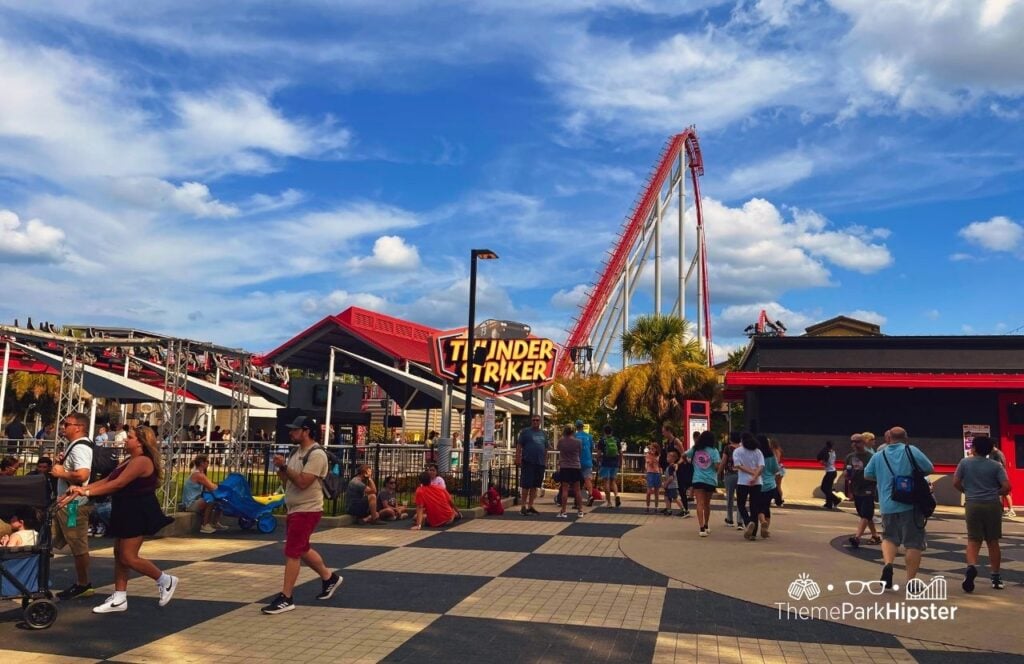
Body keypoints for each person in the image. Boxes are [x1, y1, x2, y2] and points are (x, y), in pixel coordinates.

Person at [59, 425, 177, 614]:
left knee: (128, 556)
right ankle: (120, 597)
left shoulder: (142, 461)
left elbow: (118, 484)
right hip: (124, 509)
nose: (125, 440)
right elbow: (108, 480)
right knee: (119, 553)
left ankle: (165, 580)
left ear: (140, 442)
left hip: (137, 511)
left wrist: (87, 492)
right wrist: (82, 489)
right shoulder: (130, 460)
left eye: (129, 437)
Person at [263, 415, 341, 615]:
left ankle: (286, 597)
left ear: (307, 431)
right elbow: (288, 480)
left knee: (292, 552)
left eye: (295, 429)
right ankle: (329, 577)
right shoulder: (296, 452)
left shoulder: (317, 455)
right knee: (302, 547)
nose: (291, 433)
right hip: (295, 507)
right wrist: (282, 468)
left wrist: (285, 467)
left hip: (308, 509)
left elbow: (303, 482)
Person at [863, 427, 934, 591]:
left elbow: (867, 474)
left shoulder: (879, 455)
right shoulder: (911, 451)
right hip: (910, 503)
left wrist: (883, 478)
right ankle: (910, 581)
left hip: (887, 504)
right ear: (905, 437)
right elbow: (929, 468)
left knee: (889, 537)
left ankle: (888, 565)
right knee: (913, 543)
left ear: (888, 439)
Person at [953, 435, 1011, 592]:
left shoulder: (965, 463)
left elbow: (955, 482)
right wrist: (995, 492)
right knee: (993, 541)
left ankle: (971, 567)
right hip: (992, 505)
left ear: (974, 448)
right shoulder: (996, 466)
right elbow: (1007, 487)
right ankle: (996, 577)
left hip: (973, 504)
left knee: (973, 539)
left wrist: (966, 491)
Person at [50, 412, 95, 600]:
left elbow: (83, 475)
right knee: (51, 541)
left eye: (67, 424)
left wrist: (61, 473)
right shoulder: (76, 445)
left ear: (79, 427)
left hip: (73, 506)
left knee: (77, 544)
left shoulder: (80, 448)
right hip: (67, 504)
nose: (63, 427)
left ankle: (83, 584)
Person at [845, 436, 880, 548]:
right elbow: (847, 474)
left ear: (864, 442)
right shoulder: (850, 457)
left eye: (858, 442)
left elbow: (877, 472)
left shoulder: (871, 457)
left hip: (868, 487)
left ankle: (857, 537)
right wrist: (849, 487)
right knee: (865, 514)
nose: (855, 444)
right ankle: (875, 535)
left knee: (865, 513)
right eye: (853, 442)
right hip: (856, 488)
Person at [181, 455, 226, 534]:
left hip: (195, 500)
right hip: (190, 504)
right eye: (207, 461)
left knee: (219, 500)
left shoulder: (199, 473)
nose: (208, 463)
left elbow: (209, 485)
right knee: (210, 500)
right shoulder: (198, 475)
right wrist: (222, 487)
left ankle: (215, 523)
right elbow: (212, 487)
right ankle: (205, 525)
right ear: (202, 463)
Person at [688, 431, 721, 537]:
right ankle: (706, 525)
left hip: (697, 479)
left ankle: (701, 528)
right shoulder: (714, 451)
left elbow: (684, 454)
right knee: (707, 504)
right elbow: (717, 466)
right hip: (710, 480)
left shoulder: (695, 449)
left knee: (699, 503)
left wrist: (691, 462)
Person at [733, 432, 764, 541]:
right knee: (754, 506)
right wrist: (755, 476)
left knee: (741, 504)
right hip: (757, 482)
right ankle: (754, 534)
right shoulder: (758, 451)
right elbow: (761, 466)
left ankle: (747, 522)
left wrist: (751, 473)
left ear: (742, 440)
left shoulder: (738, 451)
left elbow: (739, 466)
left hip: (743, 482)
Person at [516, 415, 549, 516]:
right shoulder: (525, 432)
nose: (535, 422)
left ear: (540, 422)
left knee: (535, 485)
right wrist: (518, 458)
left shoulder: (544, 433)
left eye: (537, 420)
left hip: (540, 463)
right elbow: (519, 446)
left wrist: (545, 461)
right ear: (531, 421)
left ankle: (530, 506)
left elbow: (546, 448)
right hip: (528, 462)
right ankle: (523, 506)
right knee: (526, 485)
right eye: (533, 420)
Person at [557, 425, 584, 519]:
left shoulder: (561, 441)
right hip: (576, 466)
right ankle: (580, 510)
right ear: (573, 432)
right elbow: (580, 453)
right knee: (577, 490)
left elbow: (559, 449)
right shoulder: (578, 442)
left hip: (564, 466)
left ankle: (564, 511)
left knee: (565, 489)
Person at [755, 434, 779, 539]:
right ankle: (765, 529)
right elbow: (776, 469)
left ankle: (762, 521)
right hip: (770, 485)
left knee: (758, 507)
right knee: (766, 507)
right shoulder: (771, 455)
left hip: (759, 484)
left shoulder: (757, 454)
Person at [718, 432, 741, 528]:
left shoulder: (727, 448)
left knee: (730, 498)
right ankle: (740, 521)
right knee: (741, 498)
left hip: (730, 474)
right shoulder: (742, 448)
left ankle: (730, 519)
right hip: (741, 475)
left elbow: (723, 461)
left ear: (731, 439)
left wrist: (719, 472)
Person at [597, 425, 622, 509]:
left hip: (605, 463)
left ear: (604, 432)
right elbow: (620, 452)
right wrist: (620, 462)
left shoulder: (602, 441)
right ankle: (617, 495)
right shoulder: (616, 440)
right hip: (615, 463)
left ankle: (609, 502)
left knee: (606, 482)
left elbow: (599, 454)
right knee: (613, 481)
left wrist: (598, 461)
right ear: (612, 431)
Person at [990, 441, 1016, 518]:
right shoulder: (993, 453)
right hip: (997, 475)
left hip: (1000, 475)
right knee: (1001, 493)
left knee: (1005, 493)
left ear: (993, 445)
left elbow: (1000, 465)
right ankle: (1000, 510)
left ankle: (1011, 510)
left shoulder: (998, 453)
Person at [575, 420, 595, 507]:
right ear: (583, 427)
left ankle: (577, 501)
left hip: (577, 461)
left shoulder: (574, 436)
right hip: (587, 461)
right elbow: (591, 449)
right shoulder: (589, 436)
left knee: (577, 481)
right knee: (587, 480)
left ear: (576, 427)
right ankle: (590, 495)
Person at [817, 440, 841, 509]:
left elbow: (824, 462)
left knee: (824, 488)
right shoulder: (833, 452)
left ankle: (836, 499)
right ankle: (829, 503)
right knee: (828, 488)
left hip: (830, 472)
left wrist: (822, 461)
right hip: (833, 471)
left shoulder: (826, 452)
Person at [662, 450, 685, 515]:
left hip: (672, 486)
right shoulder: (670, 466)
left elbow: (671, 478)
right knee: (666, 497)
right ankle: (669, 510)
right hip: (669, 486)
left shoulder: (671, 467)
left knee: (675, 498)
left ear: (673, 459)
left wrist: (666, 483)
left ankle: (683, 510)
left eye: (668, 457)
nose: (667, 458)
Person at [644, 442, 662, 514]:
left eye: (653, 449)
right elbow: (650, 464)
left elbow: (659, 465)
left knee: (657, 492)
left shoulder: (659, 455)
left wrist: (660, 473)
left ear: (656, 449)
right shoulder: (648, 455)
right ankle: (647, 507)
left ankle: (656, 507)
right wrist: (652, 456)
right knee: (649, 491)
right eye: (651, 448)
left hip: (657, 473)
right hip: (650, 473)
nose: (652, 450)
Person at [770, 438, 785, 507]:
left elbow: (777, 460)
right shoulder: (778, 450)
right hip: (781, 468)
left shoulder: (775, 450)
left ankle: (777, 498)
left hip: (778, 469)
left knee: (776, 485)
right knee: (778, 485)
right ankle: (780, 499)